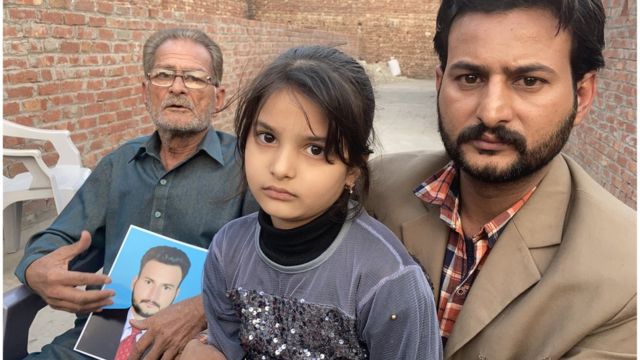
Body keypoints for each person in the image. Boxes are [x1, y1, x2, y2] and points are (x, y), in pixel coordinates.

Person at [367, 1, 636, 359]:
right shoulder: (373, 190)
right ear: (439, 82)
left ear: (582, 95)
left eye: (529, 81)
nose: (491, 112)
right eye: (470, 78)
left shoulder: (625, 276)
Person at [181, 45, 442, 359]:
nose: (280, 168)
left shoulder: (387, 281)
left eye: (315, 149)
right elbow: (227, 346)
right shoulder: (227, 250)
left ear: (353, 170)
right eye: (267, 137)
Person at [14, 28, 257, 359]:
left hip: (196, 343)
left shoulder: (247, 170)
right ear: (145, 90)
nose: (177, 87)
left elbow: (274, 270)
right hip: (103, 334)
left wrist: (202, 308)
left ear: (217, 97)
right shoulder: (119, 164)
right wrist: (36, 269)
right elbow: (56, 239)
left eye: (195, 78)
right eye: (164, 75)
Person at [75, 246, 191, 360]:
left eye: (166, 288)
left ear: (176, 294)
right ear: (134, 282)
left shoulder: (178, 346)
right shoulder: (98, 321)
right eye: (149, 282)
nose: (153, 295)